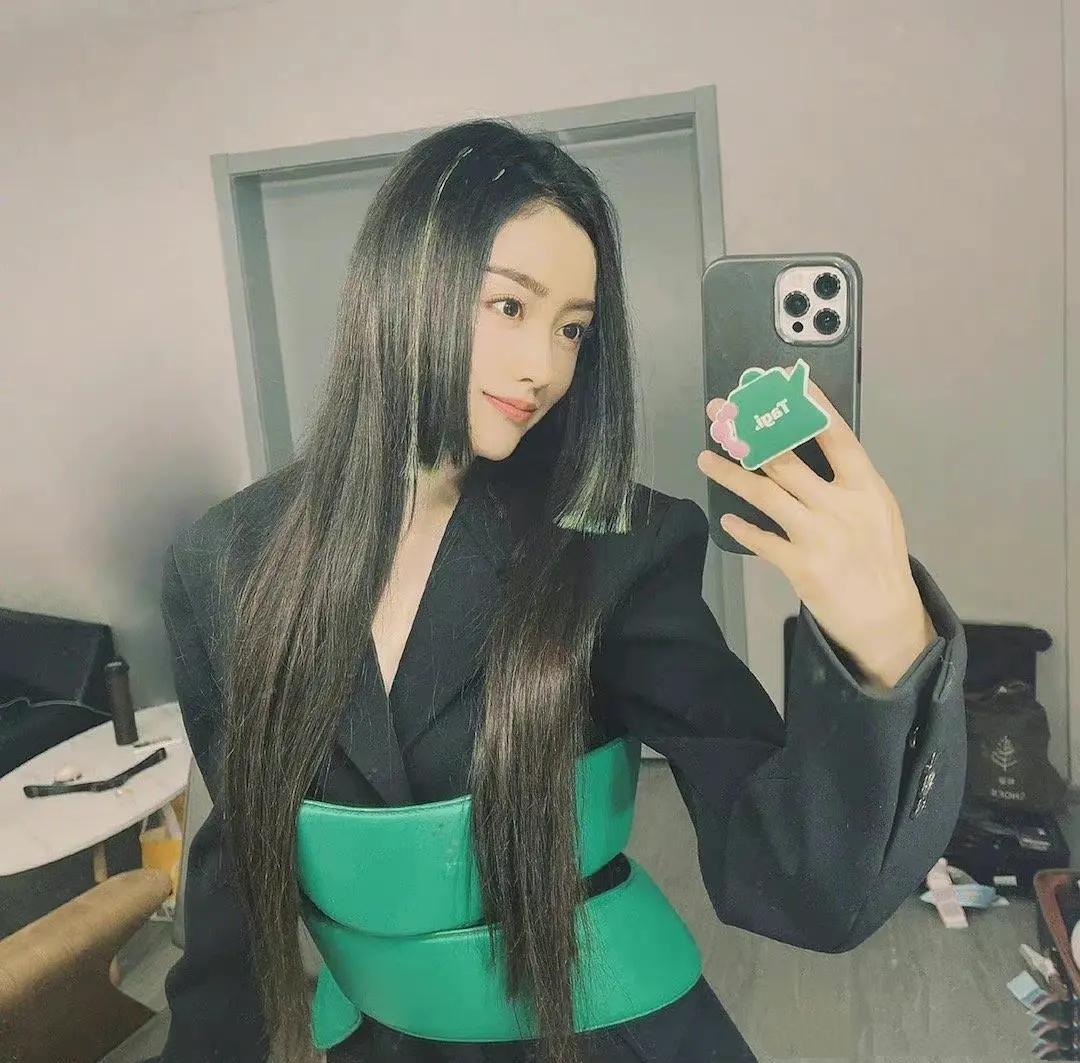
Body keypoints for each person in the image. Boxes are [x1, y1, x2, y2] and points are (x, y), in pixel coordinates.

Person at [157, 117, 968, 1063]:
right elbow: (237, 873)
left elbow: (802, 883)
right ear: (404, 283)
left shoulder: (617, 548)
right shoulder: (224, 558)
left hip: (597, 1037)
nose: (543, 365)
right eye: (510, 306)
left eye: (573, 328)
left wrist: (885, 636)